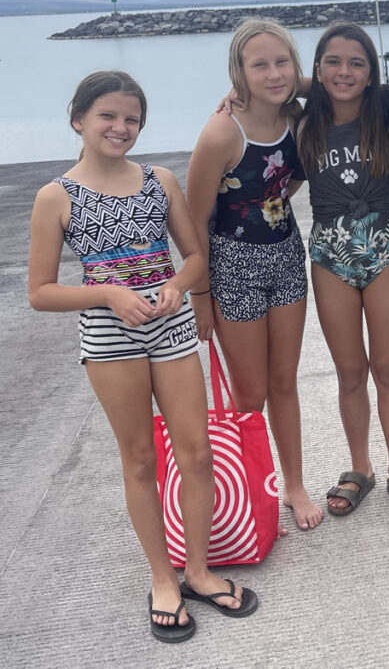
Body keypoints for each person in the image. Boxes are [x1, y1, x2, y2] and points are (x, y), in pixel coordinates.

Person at [27, 71, 258, 643]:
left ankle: (198, 571)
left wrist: (178, 285)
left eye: (131, 118)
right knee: (139, 460)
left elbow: (194, 257)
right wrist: (108, 293)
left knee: (197, 452)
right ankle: (162, 578)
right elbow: (40, 292)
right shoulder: (56, 196)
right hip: (110, 340)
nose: (120, 127)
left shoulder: (159, 181)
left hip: (171, 328)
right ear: (78, 120)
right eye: (107, 115)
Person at [187, 19, 322, 532]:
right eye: (258, 65)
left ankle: (293, 485)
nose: (273, 74)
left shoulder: (297, 120)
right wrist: (200, 295)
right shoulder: (222, 132)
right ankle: (250, 497)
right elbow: (194, 221)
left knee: (285, 382)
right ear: (238, 72)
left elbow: (288, 182)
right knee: (251, 394)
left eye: (282, 62)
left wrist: (293, 81)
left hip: (286, 257)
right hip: (232, 267)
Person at [297, 23, 389, 518]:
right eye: (332, 62)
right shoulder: (303, 122)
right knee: (350, 372)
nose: (344, 72)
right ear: (317, 69)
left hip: (383, 249)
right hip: (329, 255)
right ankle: (360, 468)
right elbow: (273, 90)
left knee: (388, 368)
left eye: (357, 63)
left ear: (372, 73)